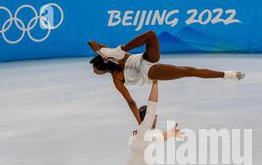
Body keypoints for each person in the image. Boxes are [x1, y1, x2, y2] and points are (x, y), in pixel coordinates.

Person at [88, 30, 244, 124]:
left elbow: (91, 42)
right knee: (189, 71)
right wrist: (140, 123)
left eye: (96, 70)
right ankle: (228, 75)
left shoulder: (117, 57)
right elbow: (131, 102)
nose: (95, 73)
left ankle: (124, 46)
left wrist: (103, 52)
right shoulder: (117, 78)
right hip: (149, 72)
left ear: (103, 67)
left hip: (145, 59)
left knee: (151, 35)